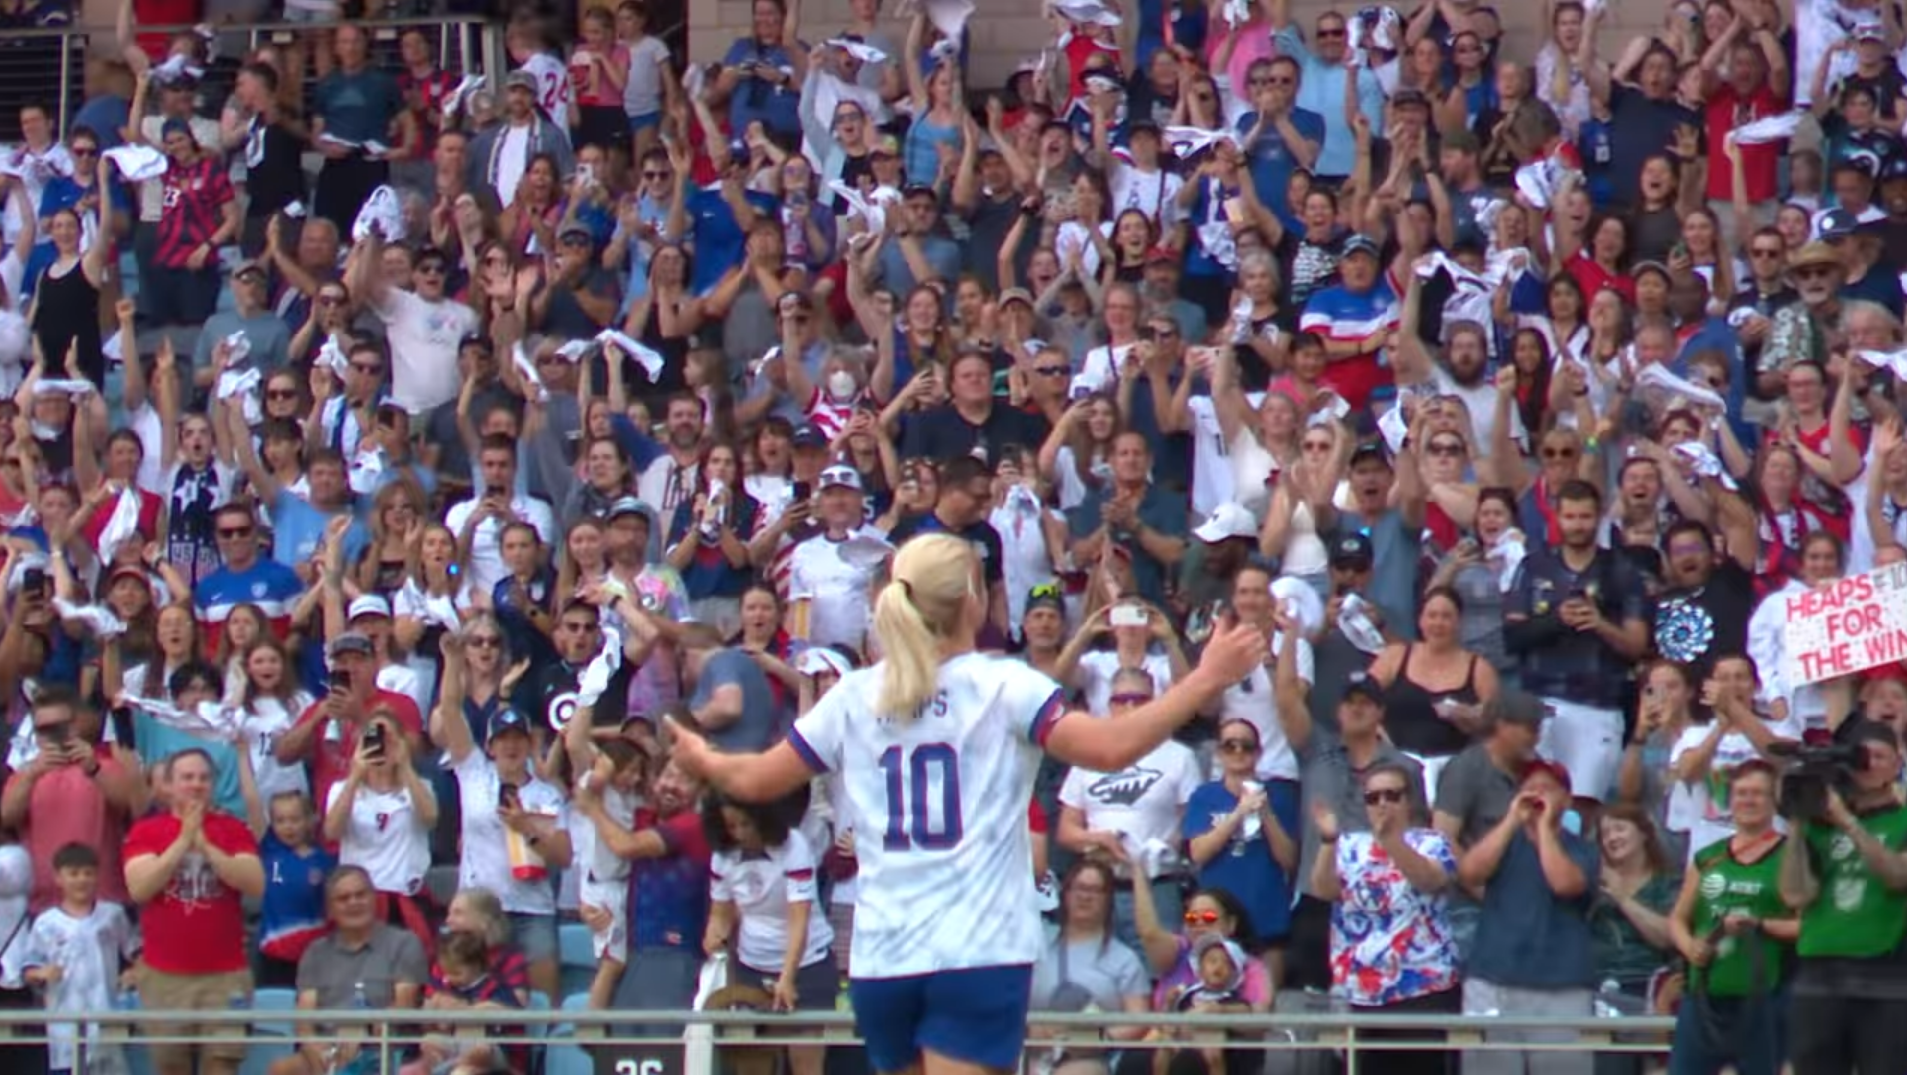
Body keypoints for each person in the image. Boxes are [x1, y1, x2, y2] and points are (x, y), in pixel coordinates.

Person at [666, 532, 1266, 1075]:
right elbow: (1110, 749)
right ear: (973, 601)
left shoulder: (855, 694)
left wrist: (704, 759)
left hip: (883, 959)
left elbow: (755, 781)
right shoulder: (1003, 684)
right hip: (974, 953)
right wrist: (1205, 678)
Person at [121, 749, 264, 1075]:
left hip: (226, 976)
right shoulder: (146, 831)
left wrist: (206, 846)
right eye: (187, 778)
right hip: (164, 977)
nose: (196, 785)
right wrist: (184, 840)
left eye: (203, 778)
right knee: (171, 1068)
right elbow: (140, 888)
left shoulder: (233, 829)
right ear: (169, 785)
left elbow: (254, 883)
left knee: (222, 1067)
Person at [1778, 719, 1907, 1073]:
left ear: (1898, 765)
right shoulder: (1820, 826)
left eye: (1880, 756)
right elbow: (1795, 894)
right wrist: (1797, 822)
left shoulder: (1902, 820)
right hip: (1820, 974)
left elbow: (1898, 877)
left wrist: (1848, 822)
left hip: (1887, 977)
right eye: (1863, 757)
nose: (1870, 765)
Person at [1666, 761, 1794, 1075]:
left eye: (1758, 793)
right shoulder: (1709, 857)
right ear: (1729, 798)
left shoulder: (1791, 855)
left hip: (1762, 996)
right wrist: (1690, 945)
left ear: (1773, 799)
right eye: (1741, 793)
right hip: (1704, 994)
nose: (1748, 801)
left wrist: (1760, 925)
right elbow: (1677, 919)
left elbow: (1808, 926)